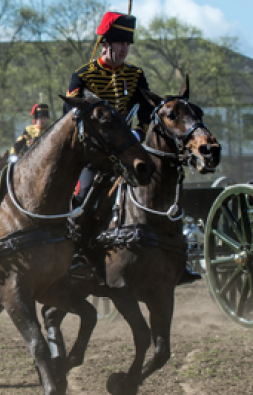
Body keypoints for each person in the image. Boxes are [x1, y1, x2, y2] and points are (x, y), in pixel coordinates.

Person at [67, 11, 199, 284]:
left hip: (131, 152)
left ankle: (176, 257)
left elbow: (146, 114)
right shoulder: (83, 76)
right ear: (106, 44)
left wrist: (138, 136)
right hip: (97, 156)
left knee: (165, 191)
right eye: (120, 44)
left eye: (127, 44)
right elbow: (73, 116)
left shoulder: (135, 75)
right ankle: (78, 255)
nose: (125, 49)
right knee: (81, 199)